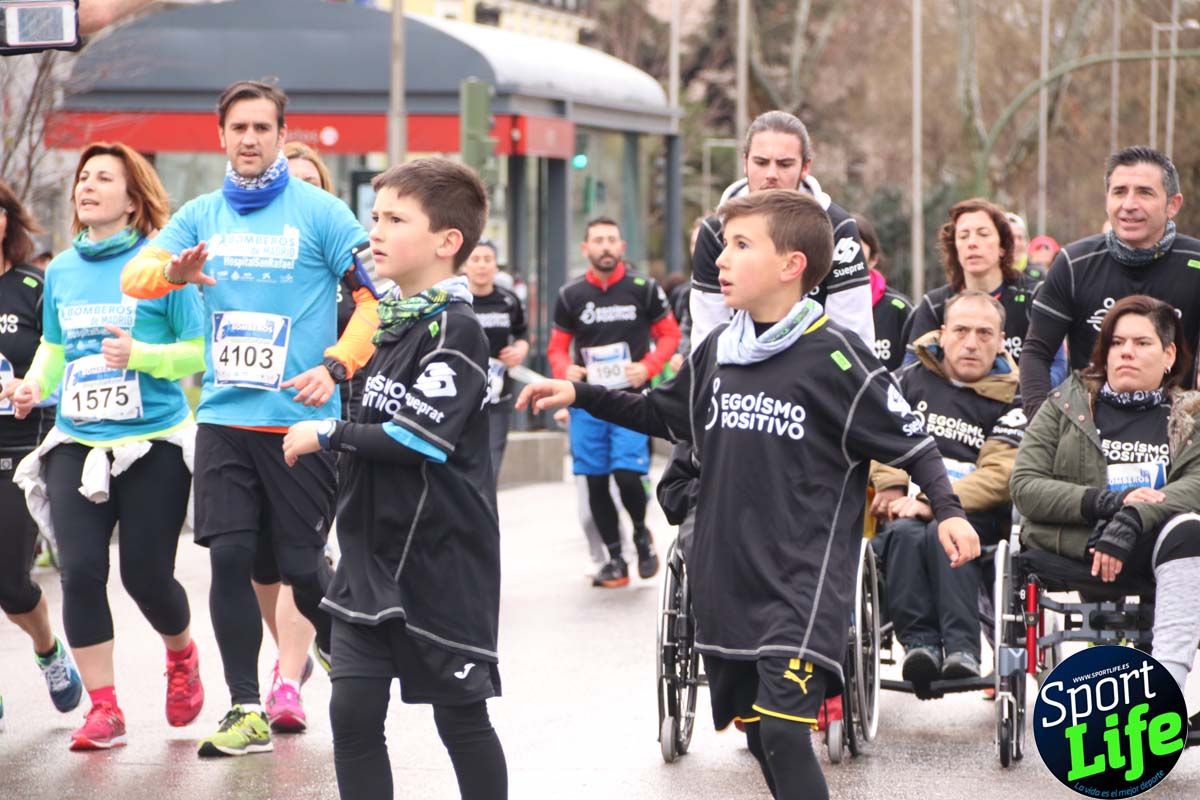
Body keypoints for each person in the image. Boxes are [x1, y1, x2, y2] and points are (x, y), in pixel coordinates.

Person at [519, 189, 978, 800]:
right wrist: (581, 395)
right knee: (761, 735)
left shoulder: (836, 356)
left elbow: (914, 443)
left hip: (800, 580)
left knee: (786, 733)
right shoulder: (718, 350)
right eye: (724, 245)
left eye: (741, 245)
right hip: (726, 575)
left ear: (791, 265)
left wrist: (948, 511)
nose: (721, 260)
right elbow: (662, 413)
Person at [119, 80, 380, 757]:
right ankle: (244, 708)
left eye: (263, 127)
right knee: (230, 556)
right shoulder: (200, 215)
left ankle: (350, 651)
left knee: (301, 567)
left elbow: (374, 302)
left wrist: (338, 365)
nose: (250, 139)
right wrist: (173, 275)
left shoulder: (322, 213)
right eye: (239, 128)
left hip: (299, 421)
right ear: (221, 136)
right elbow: (135, 277)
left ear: (281, 134)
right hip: (225, 417)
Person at [282, 157, 507, 800]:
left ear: (446, 241)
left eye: (395, 220)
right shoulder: (390, 321)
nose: (374, 232)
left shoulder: (455, 329)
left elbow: (416, 438)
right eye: (374, 217)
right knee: (351, 717)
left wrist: (328, 433)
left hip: (441, 564)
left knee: (460, 721)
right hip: (367, 560)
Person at [3, 144, 206, 750]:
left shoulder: (163, 263)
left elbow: (198, 350)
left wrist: (141, 355)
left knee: (146, 575)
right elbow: (55, 347)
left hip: (153, 440)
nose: (86, 186)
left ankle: (181, 654)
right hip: (77, 439)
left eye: (103, 178)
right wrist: (34, 384)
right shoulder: (62, 270)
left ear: (133, 198)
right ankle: (105, 708)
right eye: (83, 177)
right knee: (81, 570)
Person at [1011, 294, 1200, 747]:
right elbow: (1025, 485)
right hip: (1079, 542)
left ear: (1169, 354)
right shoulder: (1066, 404)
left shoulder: (1191, 416)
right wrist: (1107, 503)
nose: (1126, 352)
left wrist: (1134, 515)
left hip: (1160, 548)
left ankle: (1163, 697)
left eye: (1141, 343)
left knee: (1189, 529)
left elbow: (1196, 482)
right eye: (1117, 343)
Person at [870, 291, 1025, 690]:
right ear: (942, 333)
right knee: (906, 535)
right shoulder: (906, 381)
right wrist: (890, 485)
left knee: (946, 535)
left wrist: (932, 503)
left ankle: (962, 649)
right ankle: (919, 644)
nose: (971, 343)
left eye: (984, 333)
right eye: (961, 331)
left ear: (1001, 340)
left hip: (976, 521)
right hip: (904, 515)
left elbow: (1000, 472)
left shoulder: (1015, 398)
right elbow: (879, 437)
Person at [244, 140, 341, 735]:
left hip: (324, 427)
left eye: (310, 184)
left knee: (298, 554)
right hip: (251, 424)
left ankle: (284, 681)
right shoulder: (257, 260)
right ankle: (300, 651)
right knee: (261, 562)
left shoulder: (344, 261)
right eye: (289, 183)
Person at [547, 217, 679, 587]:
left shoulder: (643, 288)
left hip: (630, 401)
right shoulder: (570, 294)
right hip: (588, 404)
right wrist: (564, 369)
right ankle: (616, 559)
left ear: (622, 247)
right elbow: (557, 347)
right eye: (598, 240)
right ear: (585, 248)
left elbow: (669, 335)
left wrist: (648, 367)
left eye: (611, 240)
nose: (605, 246)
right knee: (594, 480)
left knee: (626, 474)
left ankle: (640, 533)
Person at [1021, 146, 1200, 417]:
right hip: (1088, 426)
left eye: (1144, 192)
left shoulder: (1195, 263)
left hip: (1174, 426)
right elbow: (1036, 352)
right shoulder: (1074, 263)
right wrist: (1044, 424)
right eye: (1119, 192)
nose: (1129, 205)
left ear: (1173, 205)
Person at [0, 179, 84, 731]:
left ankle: (48, 648)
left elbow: (65, 363)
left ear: (7, 220)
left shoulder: (33, 285)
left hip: (17, 447)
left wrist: (30, 389)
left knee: (9, 582)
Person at [689, 110, 873, 348]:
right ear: (745, 163)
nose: (771, 175)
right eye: (761, 162)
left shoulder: (838, 228)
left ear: (805, 167)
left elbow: (854, 338)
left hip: (817, 365)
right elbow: (707, 337)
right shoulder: (714, 231)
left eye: (785, 164)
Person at [904, 198, 1039, 366]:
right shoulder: (934, 305)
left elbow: (1055, 364)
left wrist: (1017, 383)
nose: (972, 243)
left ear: (1002, 246)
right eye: (963, 236)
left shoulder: (1034, 296)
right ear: (955, 248)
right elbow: (911, 369)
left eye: (983, 234)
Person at [464, 238, 528, 484]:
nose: (481, 265)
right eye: (476, 259)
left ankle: (485, 506)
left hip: (498, 395)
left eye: (487, 260)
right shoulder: (456, 298)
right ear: (465, 265)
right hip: (461, 394)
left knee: (491, 462)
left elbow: (522, 333)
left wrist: (520, 350)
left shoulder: (508, 300)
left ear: (495, 266)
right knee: (462, 462)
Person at [856, 212, 913, 371]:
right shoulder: (815, 307)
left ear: (873, 259)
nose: (848, 257)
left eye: (856, 247)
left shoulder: (899, 309)